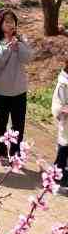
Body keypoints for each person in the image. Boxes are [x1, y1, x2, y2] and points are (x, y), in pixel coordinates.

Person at [0, 8, 32, 166]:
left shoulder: (21, 39)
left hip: (19, 90)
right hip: (1, 92)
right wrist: (8, 47)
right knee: (1, 124)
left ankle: (15, 154)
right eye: (6, 21)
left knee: (18, 125)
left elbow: (27, 58)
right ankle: (1, 152)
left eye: (12, 21)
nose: (10, 25)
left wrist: (19, 46)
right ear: (0, 24)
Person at [51, 60, 68, 195]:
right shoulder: (63, 84)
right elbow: (57, 104)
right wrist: (62, 110)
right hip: (66, 123)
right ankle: (57, 181)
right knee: (64, 151)